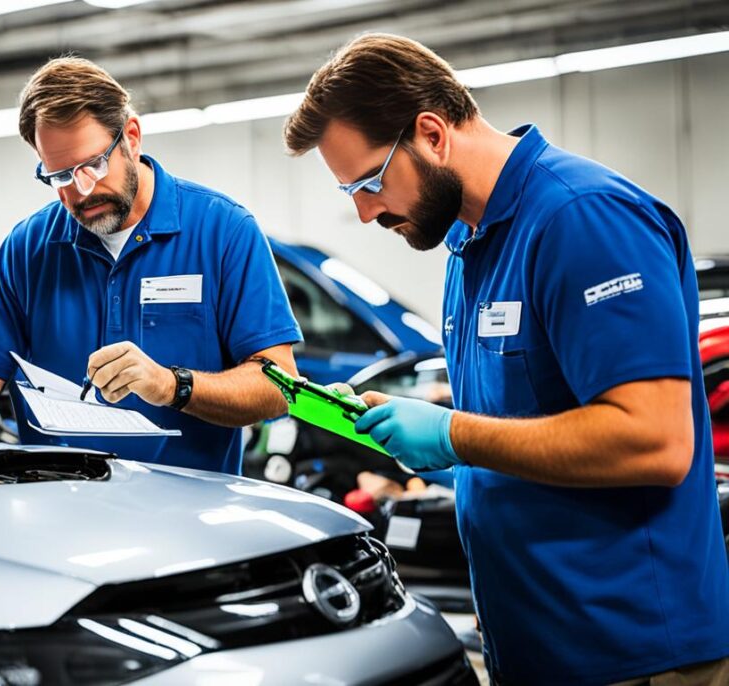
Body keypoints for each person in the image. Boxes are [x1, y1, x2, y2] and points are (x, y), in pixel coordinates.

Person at [284, 33, 729, 685]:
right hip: (536, 642)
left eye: (370, 181)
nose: (364, 209)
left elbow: (654, 442)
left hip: (633, 651)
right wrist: (433, 434)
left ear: (432, 134)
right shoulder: (469, 245)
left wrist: (452, 435)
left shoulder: (584, 218)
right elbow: (526, 422)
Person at [0, 57, 302, 474]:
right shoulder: (28, 250)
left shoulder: (224, 230)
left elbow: (277, 385)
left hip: (192, 522)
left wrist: (172, 386)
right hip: (61, 519)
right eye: (61, 177)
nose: (81, 192)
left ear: (132, 138)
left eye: (93, 166)